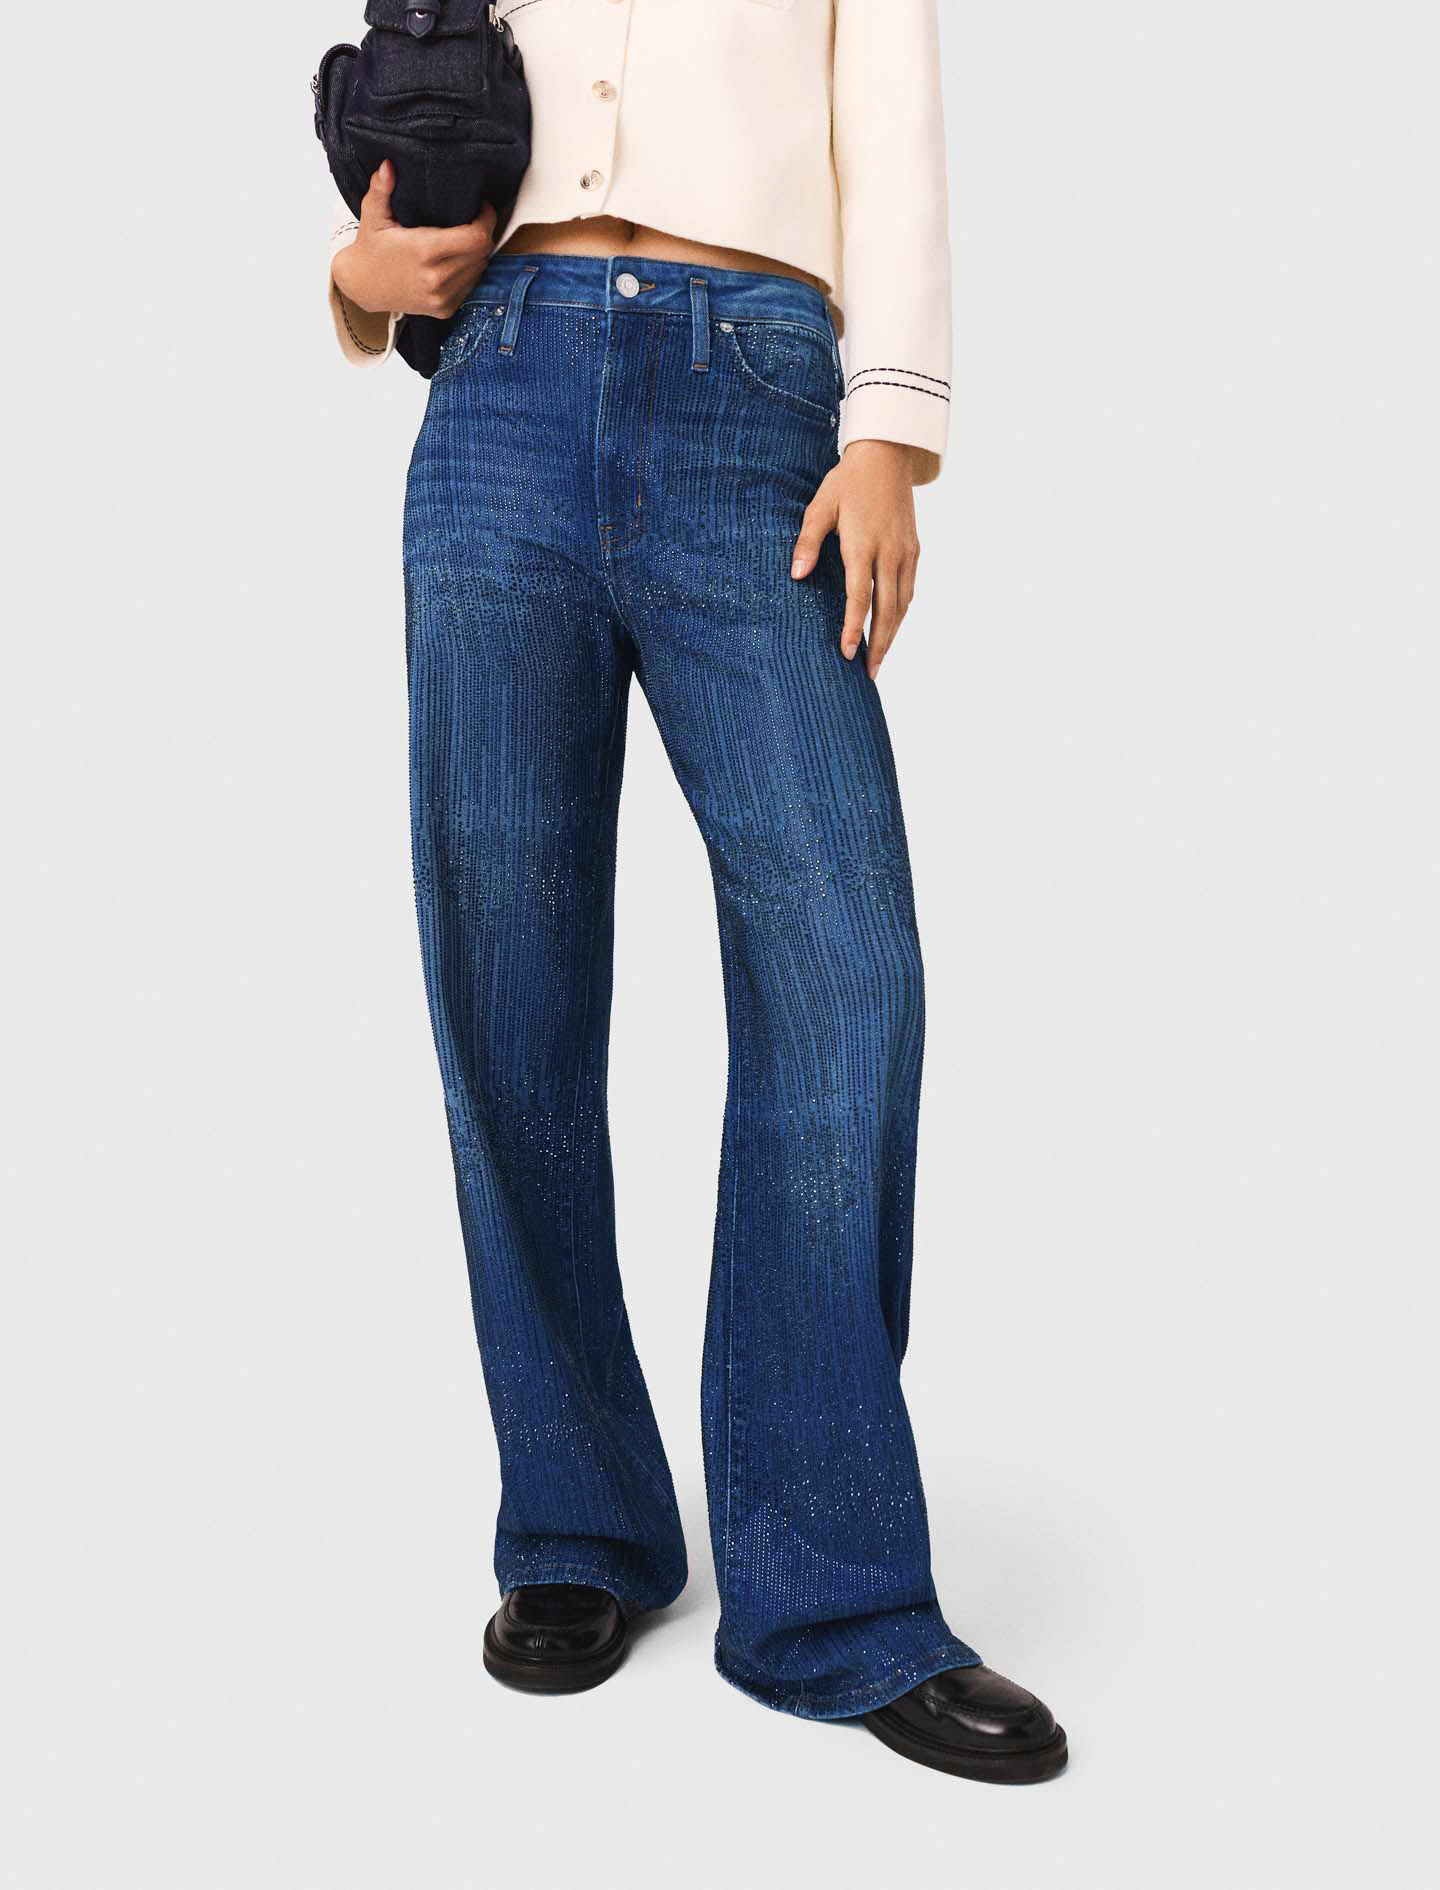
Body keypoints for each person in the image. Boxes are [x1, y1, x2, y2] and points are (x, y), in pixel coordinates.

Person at [326, 0, 1065, 1784]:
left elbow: (891, 117)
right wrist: (355, 285)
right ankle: (577, 1521)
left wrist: (890, 431)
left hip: (758, 392)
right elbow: (414, 92)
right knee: (505, 979)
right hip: (500, 387)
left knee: (846, 966)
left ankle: (832, 1593)